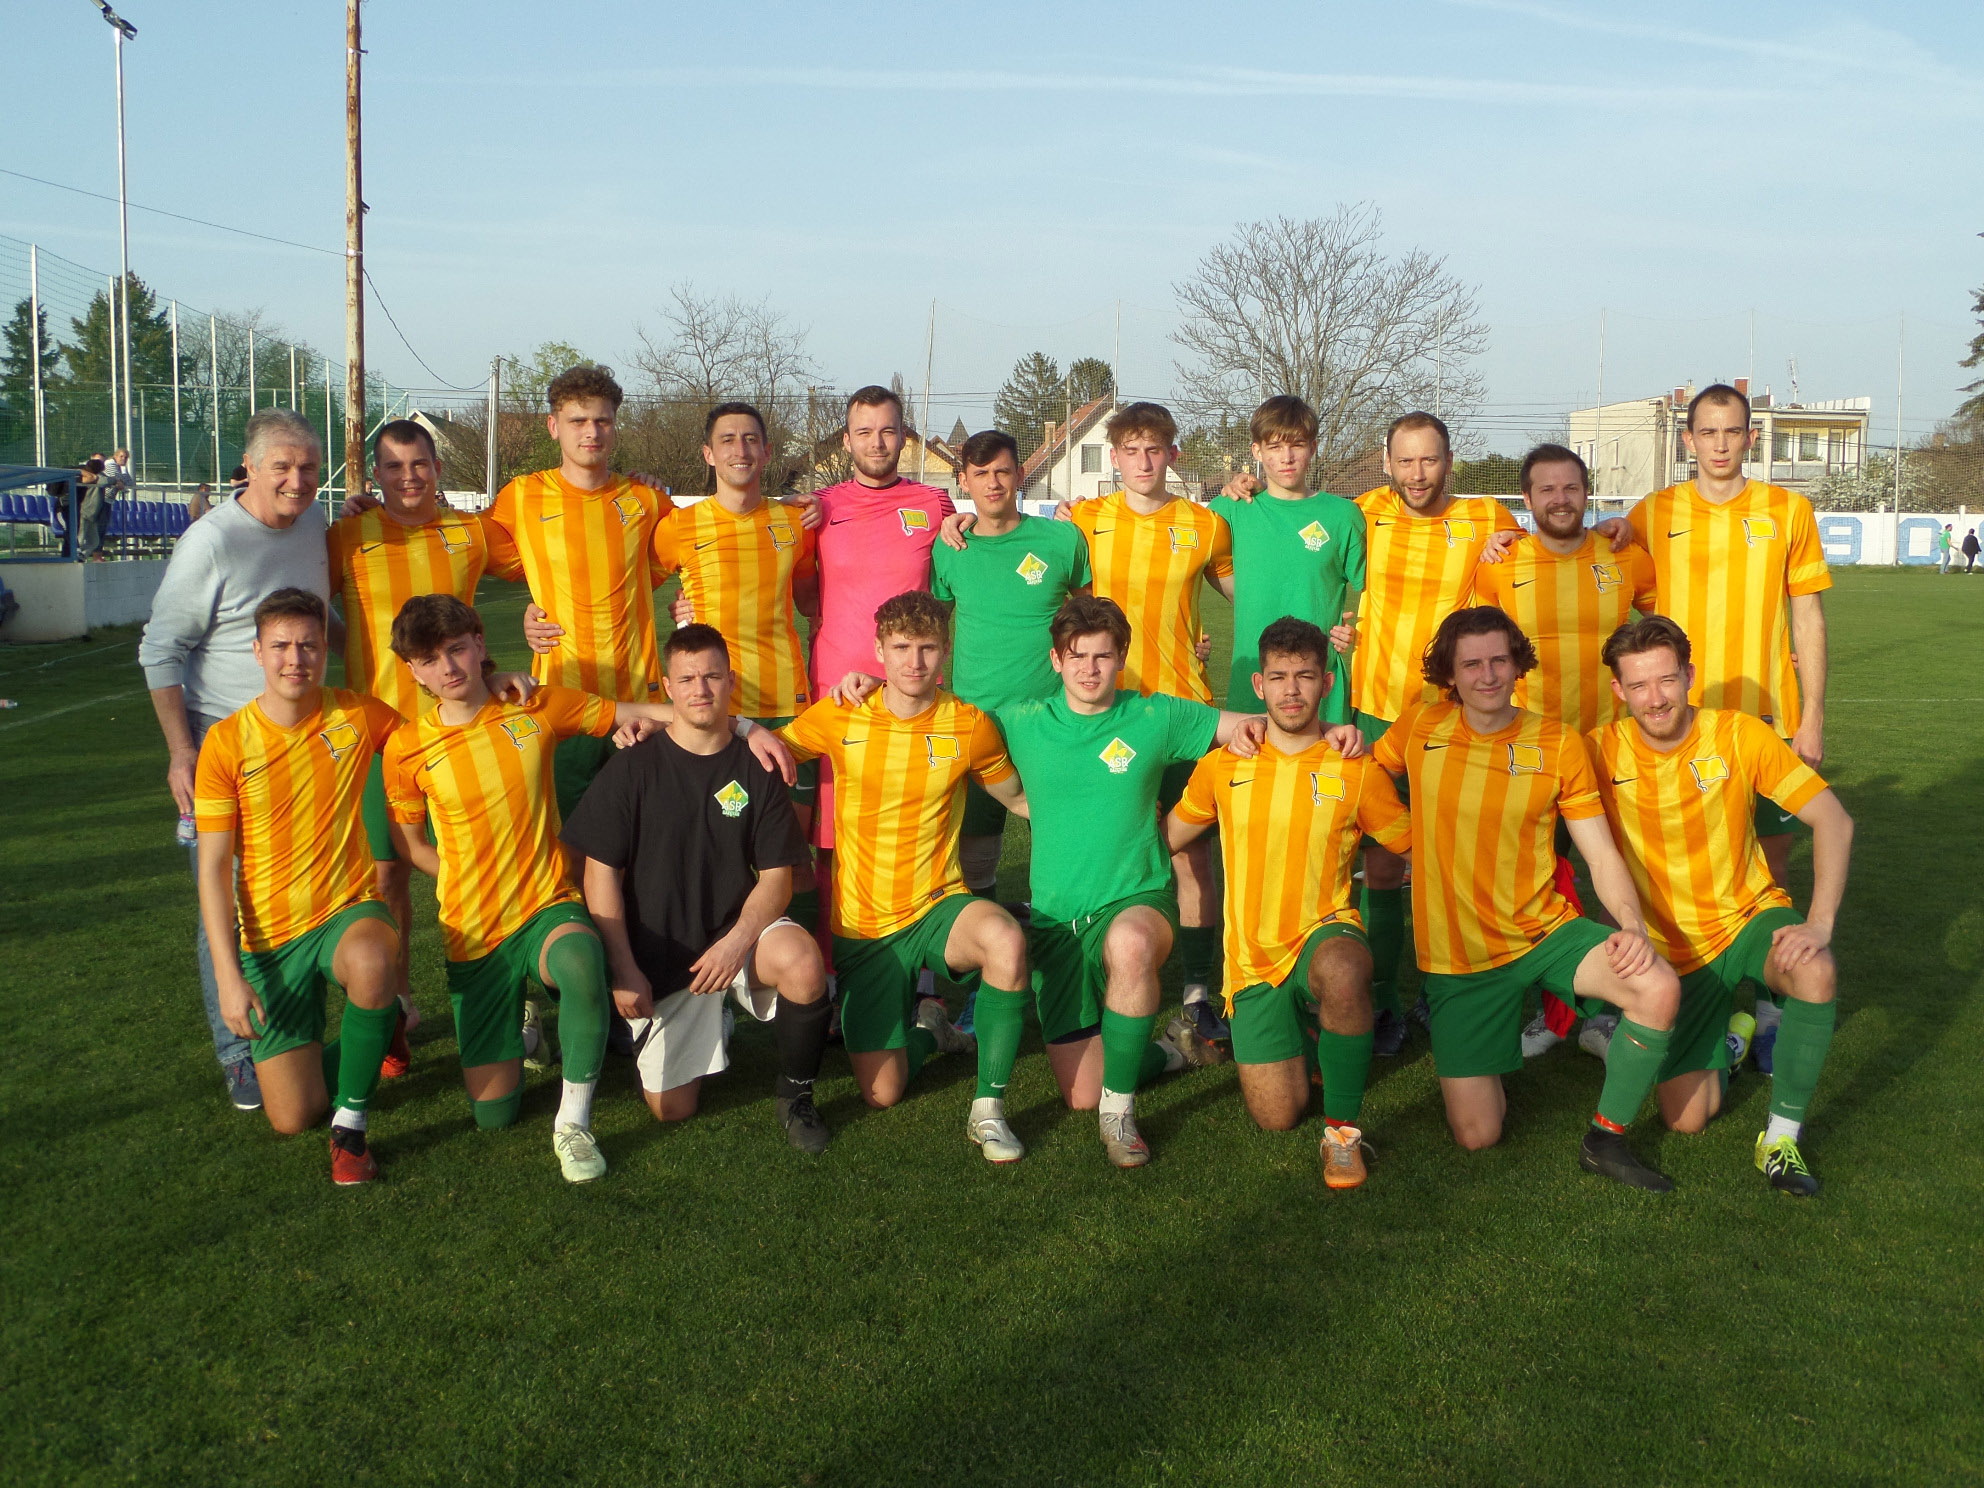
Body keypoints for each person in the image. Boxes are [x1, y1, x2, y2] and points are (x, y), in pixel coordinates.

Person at [380, 595, 793, 1182]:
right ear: (413, 671)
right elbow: (410, 844)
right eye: (429, 660)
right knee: (494, 1113)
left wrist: (746, 727)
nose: (447, 667)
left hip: (549, 905)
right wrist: (462, 874)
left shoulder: (535, 705)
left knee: (581, 959)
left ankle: (572, 1122)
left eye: (457, 649)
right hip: (472, 925)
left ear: (479, 644)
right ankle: (536, 1036)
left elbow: (655, 706)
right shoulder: (405, 747)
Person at [1371, 605, 1682, 1191]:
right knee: (1477, 1134)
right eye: (1471, 664)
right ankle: (1492, 1045)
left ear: (1518, 665)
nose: (1487, 675)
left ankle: (1606, 1139)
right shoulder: (1420, 727)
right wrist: (1406, 841)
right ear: (1450, 674)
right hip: (1460, 958)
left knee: (1656, 986)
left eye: (1499, 660)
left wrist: (1632, 925)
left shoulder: (1558, 742)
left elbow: (1600, 853)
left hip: (1545, 933)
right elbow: (1365, 773)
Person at [996, 595, 1292, 1168]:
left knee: (1130, 946)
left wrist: (1334, 732)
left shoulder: (1153, 716)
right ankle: (1172, 1048)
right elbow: (941, 721)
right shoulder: (1022, 721)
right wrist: (868, 686)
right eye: (1077, 656)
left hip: (1137, 898)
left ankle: (1120, 1114)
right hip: (1056, 919)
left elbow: (1255, 724)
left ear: (1121, 657)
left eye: (1102, 656)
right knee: (1081, 1093)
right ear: (1056, 660)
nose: (1089, 669)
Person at [1592, 616, 1851, 1194]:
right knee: (1687, 1119)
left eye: (1666, 679)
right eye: (1638, 685)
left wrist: (1819, 923)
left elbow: (1834, 821)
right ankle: (1734, 1038)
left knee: (1814, 969)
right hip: (1674, 952)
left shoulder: (1739, 734)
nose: (1655, 698)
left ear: (1689, 675)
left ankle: (1780, 1140)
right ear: (1618, 690)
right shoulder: (1599, 751)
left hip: (1747, 917)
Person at [776, 592, 1034, 1160]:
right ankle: (930, 1030)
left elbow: (1018, 799)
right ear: (878, 650)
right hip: (864, 926)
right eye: (901, 648)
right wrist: (740, 732)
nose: (914, 662)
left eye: (928, 648)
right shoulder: (841, 712)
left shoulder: (969, 725)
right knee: (882, 1093)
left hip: (939, 903)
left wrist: (1106, 810)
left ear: (946, 650)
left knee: (1005, 941)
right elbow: (775, 752)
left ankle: (989, 1110)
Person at [563, 624, 833, 1152]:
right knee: (672, 1110)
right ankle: (713, 1021)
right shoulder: (632, 766)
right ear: (668, 687)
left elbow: (778, 879)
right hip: (665, 958)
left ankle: (796, 1097)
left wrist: (736, 943)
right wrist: (624, 969)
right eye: (687, 679)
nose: (700, 689)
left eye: (712, 676)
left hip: (736, 936)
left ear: (730, 680)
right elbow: (599, 875)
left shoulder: (757, 765)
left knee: (802, 961)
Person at [1164, 617, 1406, 1189]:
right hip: (1251, 960)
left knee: (1344, 971)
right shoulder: (1223, 765)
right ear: (1259, 685)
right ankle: (1313, 1032)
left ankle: (1342, 1135)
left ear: (1327, 682)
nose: (1291, 690)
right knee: (1276, 1116)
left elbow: (1415, 843)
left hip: (1325, 931)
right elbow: (1167, 837)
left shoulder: (1355, 768)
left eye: (1305, 676)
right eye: (1278, 677)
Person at [140, 409, 337, 1113]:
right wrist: (181, 752)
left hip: (301, 744)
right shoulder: (212, 541)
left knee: (301, 889)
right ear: (248, 468)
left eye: (309, 468)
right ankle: (237, 1053)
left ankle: (294, 1031)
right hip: (223, 747)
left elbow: (324, 620)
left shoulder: (315, 524)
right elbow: (160, 648)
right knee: (222, 896)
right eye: (281, 466)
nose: (297, 480)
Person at [191, 589, 403, 1185]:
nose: (295, 659)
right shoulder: (226, 743)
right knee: (292, 1116)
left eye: (308, 645)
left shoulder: (358, 715)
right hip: (270, 940)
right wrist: (228, 979)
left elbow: (440, 734)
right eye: (281, 646)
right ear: (257, 652)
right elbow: (214, 869)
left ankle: (351, 1130)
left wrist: (496, 680)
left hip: (347, 910)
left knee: (371, 960)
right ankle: (380, 1027)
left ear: (325, 650)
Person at [1474, 443, 1657, 1060]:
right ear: (1526, 499)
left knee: (1619, 879)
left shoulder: (1624, 555)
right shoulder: (1501, 563)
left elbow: (1670, 632)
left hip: (1612, 749)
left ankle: (1611, 1008)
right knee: (1531, 884)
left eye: (1571, 488)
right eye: (1546, 490)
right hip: (1529, 754)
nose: (1560, 500)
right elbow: (1476, 655)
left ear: (1586, 493)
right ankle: (1547, 1010)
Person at [1063, 402, 1236, 1049]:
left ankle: (1196, 991)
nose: (1142, 462)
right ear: (1114, 457)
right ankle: (1093, 970)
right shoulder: (1084, 520)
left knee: (1192, 854)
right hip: (1107, 713)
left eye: (1154, 449)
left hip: (1185, 713)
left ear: (1172, 455)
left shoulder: (1205, 524)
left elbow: (1251, 595)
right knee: (1102, 847)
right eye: (1131, 450)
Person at [325, 418, 489, 1074]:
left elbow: (550, 566)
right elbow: (303, 601)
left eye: (418, 463)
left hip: (463, 731)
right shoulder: (348, 535)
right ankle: (396, 1006)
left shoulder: (471, 533)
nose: (408, 476)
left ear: (437, 468)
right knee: (387, 876)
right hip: (380, 739)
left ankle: (500, 996)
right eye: (393, 466)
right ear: (375, 475)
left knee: (482, 866)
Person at [650, 402, 824, 935]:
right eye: (727, 440)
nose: (739, 449)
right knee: (716, 850)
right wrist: (536, 611)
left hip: (786, 705)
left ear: (767, 451)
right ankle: (717, 973)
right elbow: (627, 587)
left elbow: (813, 601)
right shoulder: (677, 527)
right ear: (708, 454)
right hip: (712, 711)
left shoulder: (794, 523)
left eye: (750, 439)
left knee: (793, 856)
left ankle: (807, 971)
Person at [486, 364, 674, 817]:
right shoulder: (521, 497)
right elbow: (458, 551)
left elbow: (706, 542)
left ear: (615, 426)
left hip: (639, 699)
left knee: (643, 832)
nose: (592, 432)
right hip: (560, 698)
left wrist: (788, 508)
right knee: (567, 831)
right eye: (578, 421)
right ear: (553, 426)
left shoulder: (647, 499)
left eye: (602, 420)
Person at [929, 428, 1091, 903]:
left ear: (1020, 474)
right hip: (977, 717)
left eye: (1002, 471)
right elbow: (934, 630)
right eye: (981, 473)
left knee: (1057, 831)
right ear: (964, 481)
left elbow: (1091, 617)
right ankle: (986, 931)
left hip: (1050, 717)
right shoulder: (950, 547)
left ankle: (1057, 928)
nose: (993, 482)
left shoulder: (1061, 539)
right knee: (977, 843)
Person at [1209, 397, 1363, 725]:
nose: (1287, 457)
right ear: (1257, 451)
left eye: (1297, 445)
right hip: (1252, 680)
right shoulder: (1230, 510)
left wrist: (1354, 631)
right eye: (1275, 447)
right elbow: (1197, 564)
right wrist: (1237, 594)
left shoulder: (1343, 515)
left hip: (1319, 684)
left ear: (1313, 448)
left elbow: (1375, 592)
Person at [76, 457, 107, 560]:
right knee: (80, 539)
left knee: (94, 542)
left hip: (93, 514)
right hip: (84, 512)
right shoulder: (93, 478)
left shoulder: (96, 477)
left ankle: (82, 556)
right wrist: (116, 480)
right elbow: (106, 480)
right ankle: (75, 556)